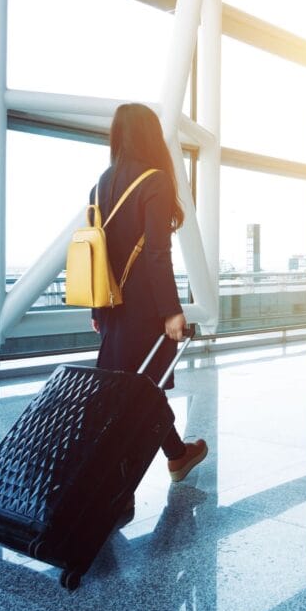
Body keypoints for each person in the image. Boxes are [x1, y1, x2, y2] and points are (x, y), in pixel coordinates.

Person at [90, 102, 208, 491]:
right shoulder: (154, 180)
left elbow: (97, 254)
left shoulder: (101, 185)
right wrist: (171, 311)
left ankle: (176, 455)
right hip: (142, 310)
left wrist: (97, 308)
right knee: (140, 392)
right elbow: (158, 252)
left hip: (110, 307)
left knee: (134, 391)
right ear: (149, 135)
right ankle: (122, 483)